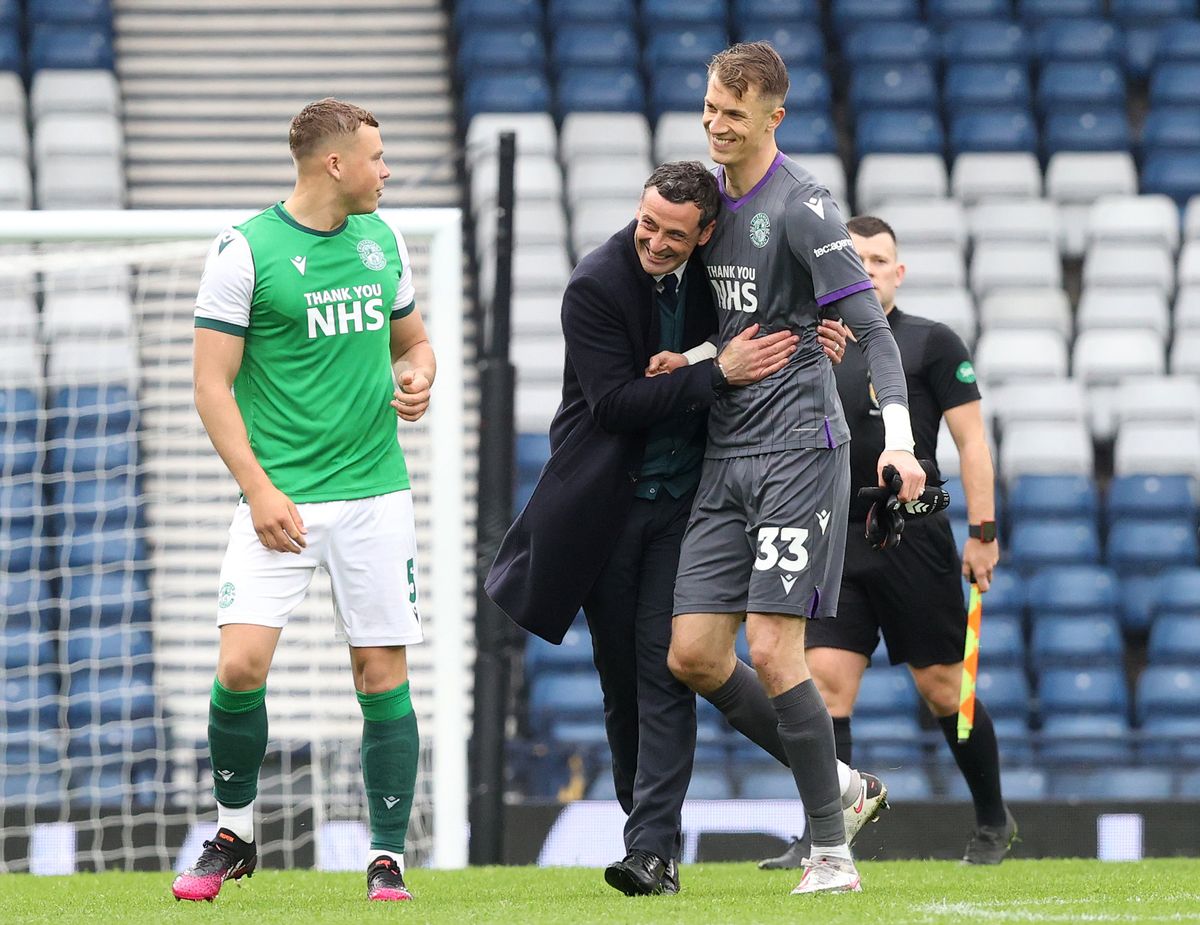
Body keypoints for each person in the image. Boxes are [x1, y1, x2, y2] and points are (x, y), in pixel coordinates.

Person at [486, 162, 867, 897]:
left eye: (673, 233)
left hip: (688, 505)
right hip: (607, 510)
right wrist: (715, 372)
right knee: (622, 688)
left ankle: (653, 852)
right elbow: (615, 406)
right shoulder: (595, 284)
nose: (655, 242)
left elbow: (775, 323)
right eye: (646, 223)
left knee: (668, 668)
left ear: (705, 235)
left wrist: (825, 336)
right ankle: (821, 787)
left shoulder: (717, 276)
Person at [662, 42, 927, 896]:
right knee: (696, 655)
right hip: (725, 450)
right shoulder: (707, 207)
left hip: (800, 452)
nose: (715, 124)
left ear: (774, 117)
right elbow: (737, 314)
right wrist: (696, 358)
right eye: (709, 107)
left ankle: (831, 853)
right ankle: (844, 786)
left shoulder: (808, 207)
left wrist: (900, 440)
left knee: (776, 649)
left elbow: (874, 332)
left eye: (732, 114)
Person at [173, 98, 434, 903]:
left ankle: (386, 855)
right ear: (335, 163)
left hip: (374, 495)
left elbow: (412, 339)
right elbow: (209, 383)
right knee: (240, 665)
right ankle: (235, 833)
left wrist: (421, 371)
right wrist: (257, 489)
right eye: (377, 157)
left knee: (379, 671)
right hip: (278, 497)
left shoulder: (382, 241)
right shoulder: (245, 251)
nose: (386, 171)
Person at [758, 215, 1015, 869]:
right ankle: (826, 834)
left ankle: (993, 821)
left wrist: (983, 533)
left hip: (913, 534)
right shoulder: (812, 344)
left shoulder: (931, 341)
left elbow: (973, 446)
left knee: (941, 687)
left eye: (878, 260)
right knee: (826, 686)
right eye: (856, 258)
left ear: (897, 273)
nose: (866, 269)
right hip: (836, 535)